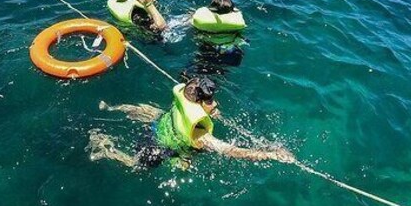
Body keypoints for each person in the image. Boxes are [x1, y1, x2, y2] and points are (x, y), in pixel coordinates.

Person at [87, 77, 295, 169]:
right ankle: (105, 149)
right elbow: (232, 151)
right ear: (199, 103)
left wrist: (209, 109)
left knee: (153, 112)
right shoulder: (200, 133)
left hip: (158, 126)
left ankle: (113, 108)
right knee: (135, 165)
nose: (216, 103)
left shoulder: (183, 99)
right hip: (156, 149)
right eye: (211, 101)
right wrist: (271, 155)